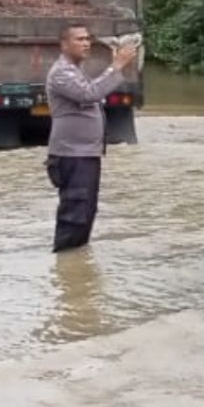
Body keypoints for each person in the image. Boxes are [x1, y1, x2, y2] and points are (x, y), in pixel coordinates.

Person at [45, 24, 138, 252]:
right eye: (79, 39)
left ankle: (75, 268)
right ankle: (66, 268)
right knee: (75, 215)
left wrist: (116, 69)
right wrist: (116, 66)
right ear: (64, 44)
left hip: (85, 154)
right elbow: (90, 93)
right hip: (72, 155)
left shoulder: (76, 70)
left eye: (88, 39)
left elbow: (94, 91)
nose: (86, 43)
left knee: (86, 212)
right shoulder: (61, 72)